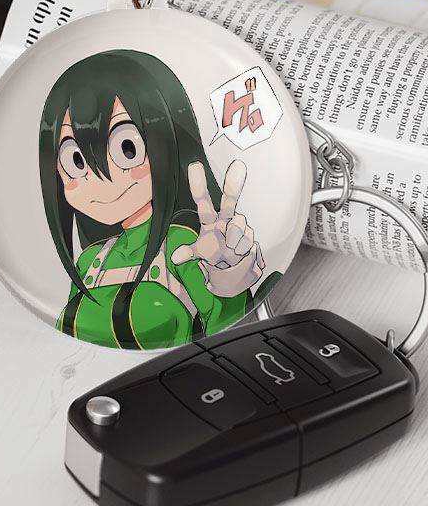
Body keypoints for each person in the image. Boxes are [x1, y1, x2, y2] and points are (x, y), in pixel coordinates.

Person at [39, 49, 272, 349]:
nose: (102, 181)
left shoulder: (181, 246)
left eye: (127, 149)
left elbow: (225, 324)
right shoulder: (88, 263)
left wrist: (228, 273)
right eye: (76, 161)